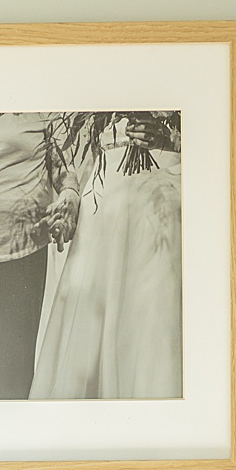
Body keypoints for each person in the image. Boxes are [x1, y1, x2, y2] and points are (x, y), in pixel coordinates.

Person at [29, 113, 184, 400]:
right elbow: (72, 139)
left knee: (153, 303)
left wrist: (173, 137)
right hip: (105, 188)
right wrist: (71, 192)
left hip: (166, 182)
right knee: (91, 307)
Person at [0, 111, 81, 399]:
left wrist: (70, 197)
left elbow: (64, 166)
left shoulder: (36, 91)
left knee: (5, 392)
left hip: (18, 247)